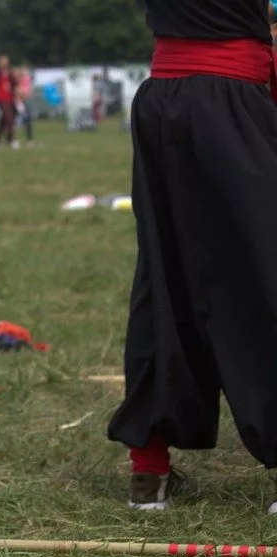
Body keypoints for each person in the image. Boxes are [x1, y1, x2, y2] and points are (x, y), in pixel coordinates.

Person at [107, 0, 277, 512]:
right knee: (260, 275)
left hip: (164, 99)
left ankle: (150, 470)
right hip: (231, 98)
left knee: (164, 279)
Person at [13, 63, 35, 147]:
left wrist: (21, 93)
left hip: (21, 102)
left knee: (27, 120)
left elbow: (26, 93)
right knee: (12, 123)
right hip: (14, 102)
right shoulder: (14, 80)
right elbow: (17, 92)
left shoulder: (25, 80)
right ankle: (13, 140)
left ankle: (29, 140)